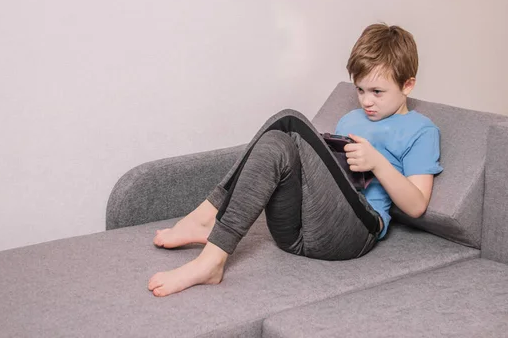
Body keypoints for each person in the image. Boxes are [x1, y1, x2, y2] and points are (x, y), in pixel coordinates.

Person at [148, 23, 443, 297]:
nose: (366, 101)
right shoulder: (351, 119)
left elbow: (416, 205)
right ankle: (204, 222)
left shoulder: (421, 130)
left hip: (355, 233)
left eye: (378, 92)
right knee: (276, 142)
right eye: (360, 90)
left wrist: (377, 162)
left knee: (289, 120)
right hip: (296, 234)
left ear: (407, 85)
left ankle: (210, 252)